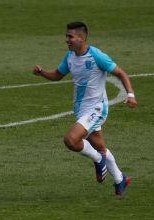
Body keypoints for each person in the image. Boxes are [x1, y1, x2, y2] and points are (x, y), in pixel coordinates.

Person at [33, 22, 138, 197]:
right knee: (100, 147)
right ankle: (120, 179)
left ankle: (98, 160)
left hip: (96, 109)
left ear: (82, 38)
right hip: (81, 110)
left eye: (70, 36)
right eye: (66, 36)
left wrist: (131, 95)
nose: (66, 39)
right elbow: (57, 75)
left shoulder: (97, 56)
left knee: (71, 140)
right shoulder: (70, 57)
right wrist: (42, 72)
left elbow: (121, 73)